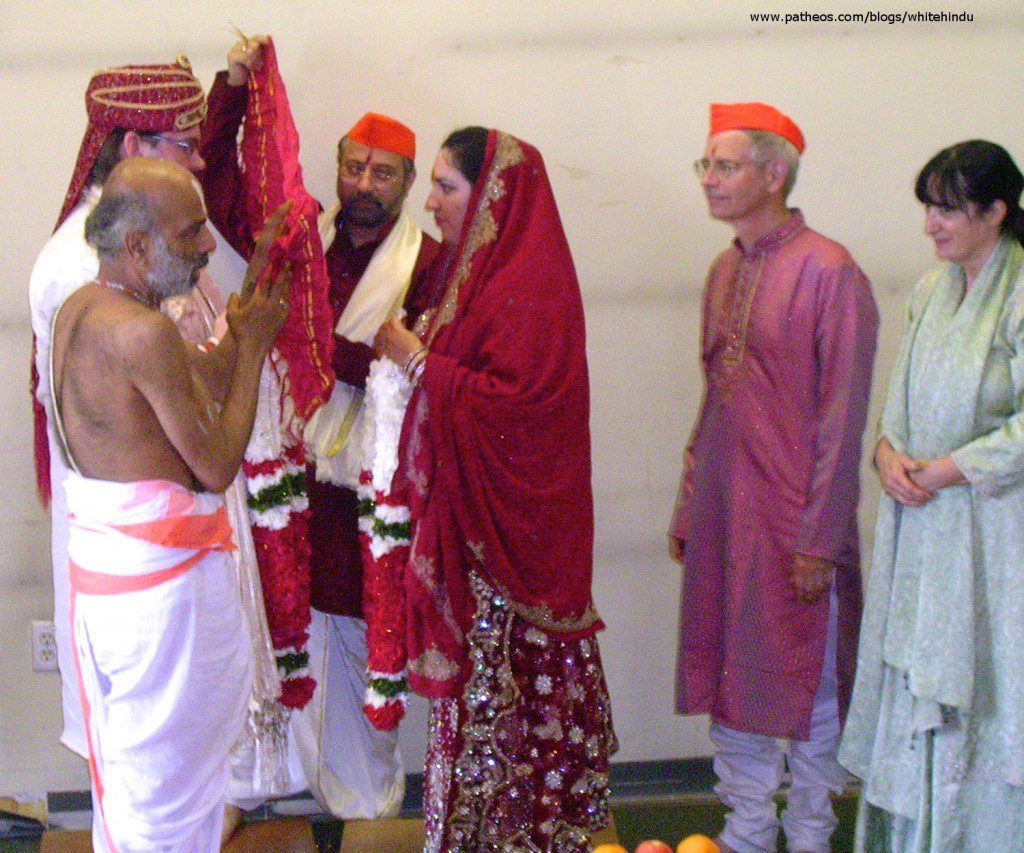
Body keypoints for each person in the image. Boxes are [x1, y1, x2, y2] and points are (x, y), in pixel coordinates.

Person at [28, 58, 294, 839]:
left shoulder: (96, 295)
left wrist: (240, 327)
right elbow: (212, 466)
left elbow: (180, 380)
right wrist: (252, 350)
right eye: (190, 234)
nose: (207, 244)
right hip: (155, 594)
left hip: (125, 584)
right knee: (165, 801)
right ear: (138, 246)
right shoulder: (129, 319)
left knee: (145, 791)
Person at [198, 34, 440, 819]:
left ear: (408, 182)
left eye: (384, 172)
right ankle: (287, 793)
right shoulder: (305, 246)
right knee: (291, 641)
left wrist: (340, 356)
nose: (363, 184)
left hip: (378, 508)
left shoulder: (427, 265)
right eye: (353, 167)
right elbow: (225, 197)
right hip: (299, 500)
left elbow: (429, 370)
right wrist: (232, 94)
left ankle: (366, 805)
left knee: (367, 655)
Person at [373, 126, 617, 851]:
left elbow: (518, 407)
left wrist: (417, 360)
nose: (432, 200)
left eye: (446, 186)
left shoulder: (527, 288)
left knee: (511, 718)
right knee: (470, 720)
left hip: (514, 546)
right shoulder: (469, 276)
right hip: (474, 535)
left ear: (491, 197)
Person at [667, 103, 878, 852]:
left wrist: (819, 538)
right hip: (728, 517)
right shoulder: (724, 268)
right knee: (734, 676)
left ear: (775, 172)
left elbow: (842, 420)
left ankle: (812, 833)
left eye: (725, 166)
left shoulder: (831, 270)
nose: (711, 180)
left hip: (796, 524)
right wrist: (692, 504)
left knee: (803, 681)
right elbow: (713, 398)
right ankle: (748, 830)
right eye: (707, 166)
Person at [838, 141, 1024, 850]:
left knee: (989, 687)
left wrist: (949, 469)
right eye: (929, 206)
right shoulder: (930, 288)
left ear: (996, 210)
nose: (931, 224)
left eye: (947, 208)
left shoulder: (1020, 287)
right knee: (916, 689)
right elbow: (898, 402)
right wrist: (886, 455)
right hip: (921, 524)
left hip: (995, 528)